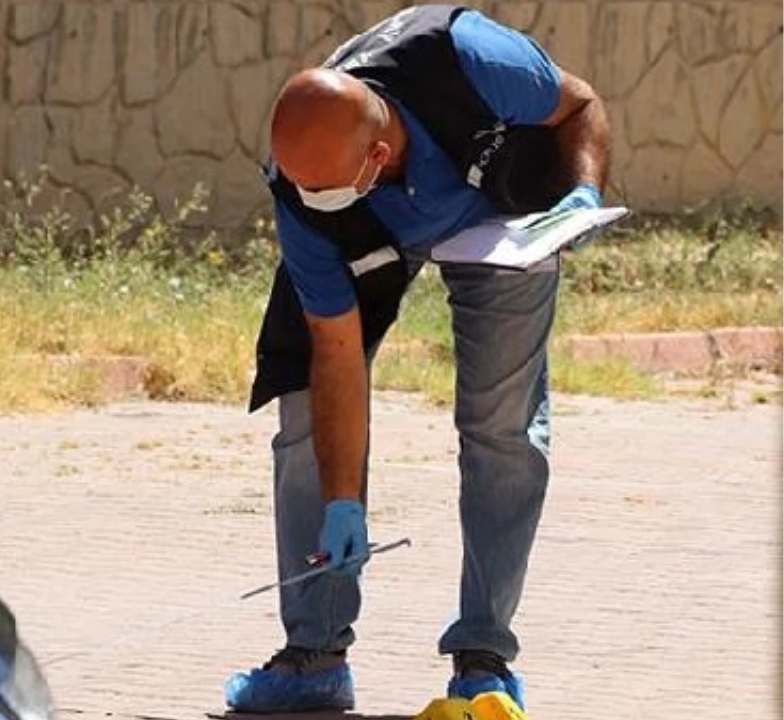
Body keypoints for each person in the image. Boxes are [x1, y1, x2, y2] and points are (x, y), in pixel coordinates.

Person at [225, 4, 611, 714]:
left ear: (376, 157)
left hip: (502, 218)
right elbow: (335, 355)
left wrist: (582, 193)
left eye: (325, 186)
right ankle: (315, 655)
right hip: (373, 234)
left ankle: (484, 660)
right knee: (307, 414)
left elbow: (580, 105)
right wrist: (342, 502)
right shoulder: (309, 198)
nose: (312, 197)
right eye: (301, 184)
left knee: (501, 426)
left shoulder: (470, 57)